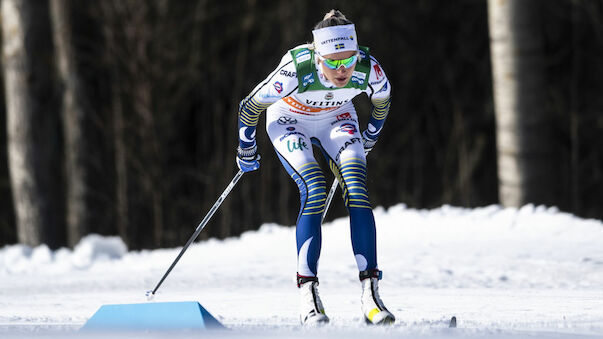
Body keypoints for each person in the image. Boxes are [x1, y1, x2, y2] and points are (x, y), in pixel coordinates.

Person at [235, 9, 394, 326]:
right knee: (315, 188)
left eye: (348, 59)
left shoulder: (367, 69)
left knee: (358, 190)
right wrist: (247, 148)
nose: (342, 69)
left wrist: (370, 138)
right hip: (289, 120)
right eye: (333, 61)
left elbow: (383, 101)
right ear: (318, 56)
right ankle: (308, 295)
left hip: (337, 119)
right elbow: (250, 106)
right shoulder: (297, 69)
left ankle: (371, 297)